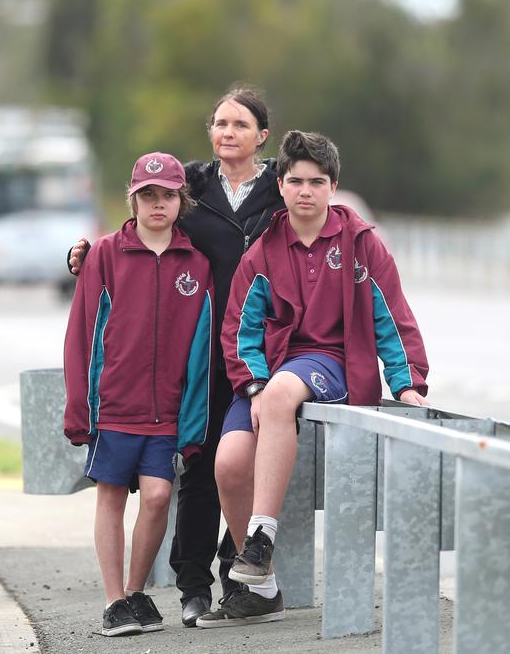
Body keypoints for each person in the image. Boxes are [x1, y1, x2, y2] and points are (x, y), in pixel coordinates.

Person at [68, 86, 286, 627]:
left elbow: (322, 222)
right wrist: (85, 253)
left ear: (262, 135)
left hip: (262, 348)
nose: (228, 132)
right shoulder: (193, 183)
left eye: (240, 124)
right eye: (219, 123)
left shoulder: (283, 186)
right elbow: (140, 221)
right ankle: (193, 585)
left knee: (242, 462)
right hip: (200, 354)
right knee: (199, 466)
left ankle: (245, 572)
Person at [195, 129, 429, 628]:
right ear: (280, 185)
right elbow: (240, 328)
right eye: (296, 180)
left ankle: (260, 539)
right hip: (270, 372)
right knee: (230, 464)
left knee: (281, 393)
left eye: (316, 182)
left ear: (333, 186)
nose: (306, 190)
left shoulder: (362, 244)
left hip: (331, 364)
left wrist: (407, 382)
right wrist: (253, 383)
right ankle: (263, 590)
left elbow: (392, 318)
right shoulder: (262, 251)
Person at [63, 151, 214, 637]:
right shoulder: (104, 254)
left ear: (180, 200)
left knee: (157, 496)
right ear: (132, 198)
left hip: (166, 412)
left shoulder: (197, 264)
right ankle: (113, 602)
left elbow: (202, 350)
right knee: (110, 498)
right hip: (114, 408)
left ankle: (135, 592)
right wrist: (81, 409)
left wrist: (193, 419)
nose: (157, 204)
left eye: (167, 195)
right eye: (147, 195)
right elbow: (81, 334)